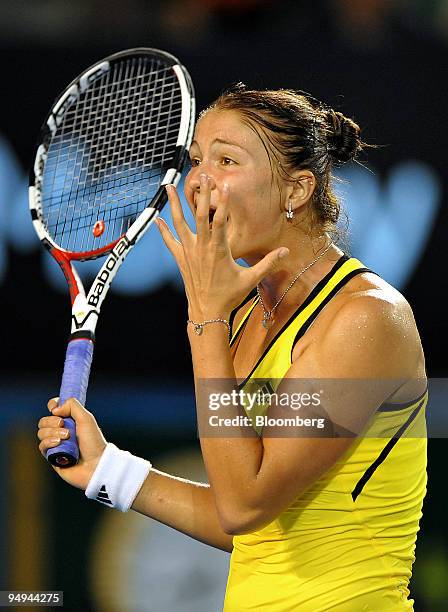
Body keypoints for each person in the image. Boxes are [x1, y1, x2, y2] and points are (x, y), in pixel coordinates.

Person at [37, 85, 428, 611]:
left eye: (226, 160)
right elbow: (242, 519)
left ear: (297, 190)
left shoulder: (365, 319)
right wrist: (107, 469)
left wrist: (205, 318)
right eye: (197, 159)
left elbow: (247, 505)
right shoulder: (244, 316)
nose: (199, 181)